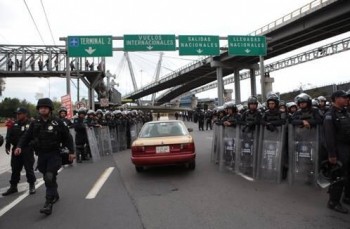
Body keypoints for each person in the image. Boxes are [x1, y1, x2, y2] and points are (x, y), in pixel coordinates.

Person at [15, 98, 75, 215]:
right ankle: (54, 193)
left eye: (45, 107)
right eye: (41, 107)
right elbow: (26, 136)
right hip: (41, 154)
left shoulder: (58, 122)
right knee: (48, 177)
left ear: (50, 109)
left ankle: (48, 203)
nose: (43, 109)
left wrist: (72, 152)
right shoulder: (35, 122)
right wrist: (19, 146)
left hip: (54, 154)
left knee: (49, 176)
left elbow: (68, 137)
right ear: (38, 109)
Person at [323, 90, 350, 214]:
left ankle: (347, 197)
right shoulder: (330, 115)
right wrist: (332, 154)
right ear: (336, 99)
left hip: (347, 147)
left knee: (348, 174)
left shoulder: (345, 112)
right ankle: (333, 202)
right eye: (343, 97)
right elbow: (329, 137)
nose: (346, 99)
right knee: (338, 176)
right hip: (338, 149)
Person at [3, 108, 36, 196]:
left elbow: (35, 137)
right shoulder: (14, 124)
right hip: (16, 150)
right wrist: (7, 145)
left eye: (19, 114)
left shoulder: (31, 124)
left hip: (27, 149)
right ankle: (13, 186)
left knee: (28, 168)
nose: (17, 115)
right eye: (17, 114)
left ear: (25, 114)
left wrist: (31, 146)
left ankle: (32, 185)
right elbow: (9, 135)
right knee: (15, 168)